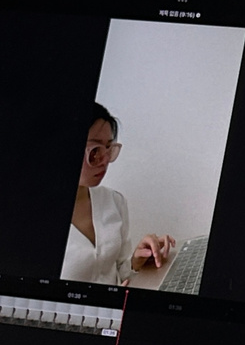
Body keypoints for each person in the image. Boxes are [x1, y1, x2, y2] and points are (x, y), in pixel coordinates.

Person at [61, 102, 175, 285]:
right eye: (95, 151)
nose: (105, 161)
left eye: (109, 149)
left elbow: (119, 271)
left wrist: (137, 260)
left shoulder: (114, 201)